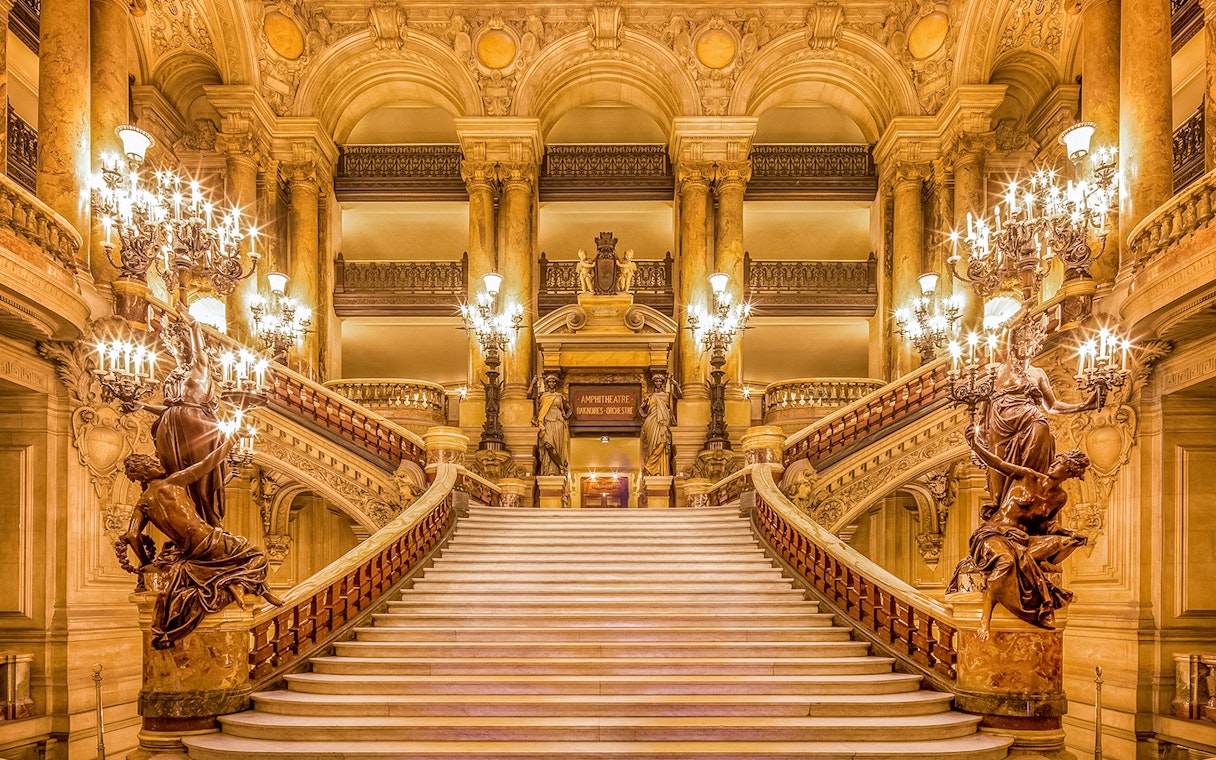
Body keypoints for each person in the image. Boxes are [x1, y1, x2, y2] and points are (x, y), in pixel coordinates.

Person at [122, 438, 283, 649]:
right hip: (209, 541)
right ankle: (242, 585)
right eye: (151, 464)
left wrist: (145, 563)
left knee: (236, 558)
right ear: (144, 474)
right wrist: (230, 440)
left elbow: (132, 535)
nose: (158, 464)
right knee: (257, 556)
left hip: (190, 551)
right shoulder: (172, 482)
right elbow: (206, 464)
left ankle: (236, 583)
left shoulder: (143, 503)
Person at [948, 425, 1089, 641]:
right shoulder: (1028, 477)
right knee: (1006, 561)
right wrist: (976, 445)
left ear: (1068, 473)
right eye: (1056, 460)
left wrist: (1071, 534)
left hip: (1023, 539)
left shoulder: (1059, 498)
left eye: (1060, 463)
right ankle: (985, 619)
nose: (1054, 463)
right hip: (993, 534)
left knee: (1062, 543)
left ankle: (1034, 570)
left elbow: (1047, 526)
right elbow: (999, 464)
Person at [978, 313, 1096, 514]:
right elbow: (1004, 332)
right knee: (998, 468)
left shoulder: (1038, 374)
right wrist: (1021, 311)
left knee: (1041, 428)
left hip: (1030, 417)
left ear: (1035, 346)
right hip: (1002, 421)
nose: (1024, 346)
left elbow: (1052, 406)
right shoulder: (1002, 368)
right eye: (1020, 342)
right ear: (1013, 345)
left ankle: (1029, 491)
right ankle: (998, 507)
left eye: (1029, 342)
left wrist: (1082, 406)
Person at [135, 303, 228, 527]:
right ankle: (189, 528)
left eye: (178, 347)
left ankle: (211, 527)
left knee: (201, 481)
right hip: (171, 429)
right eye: (172, 348)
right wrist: (140, 405)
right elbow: (169, 408)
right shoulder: (174, 376)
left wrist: (194, 326)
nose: (175, 352)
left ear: (186, 347)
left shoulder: (199, 368)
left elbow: (200, 352)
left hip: (198, 429)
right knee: (177, 482)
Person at [535, 374, 569, 476]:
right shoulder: (543, 396)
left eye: (553, 382)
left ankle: (556, 469)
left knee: (557, 446)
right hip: (547, 420)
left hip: (558, 421)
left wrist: (566, 415)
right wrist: (533, 383)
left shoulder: (559, 396)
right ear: (547, 383)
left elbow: (567, 408)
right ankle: (560, 466)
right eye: (550, 381)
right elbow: (530, 396)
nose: (552, 383)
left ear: (556, 383)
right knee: (548, 444)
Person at [640, 372, 673, 476]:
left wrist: (675, 384)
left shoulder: (667, 395)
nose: (658, 383)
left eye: (660, 381)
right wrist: (644, 413)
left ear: (662, 383)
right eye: (656, 381)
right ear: (654, 383)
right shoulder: (649, 396)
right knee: (652, 445)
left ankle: (649, 466)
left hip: (663, 422)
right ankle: (654, 470)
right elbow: (641, 409)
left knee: (662, 443)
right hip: (652, 421)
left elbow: (679, 396)